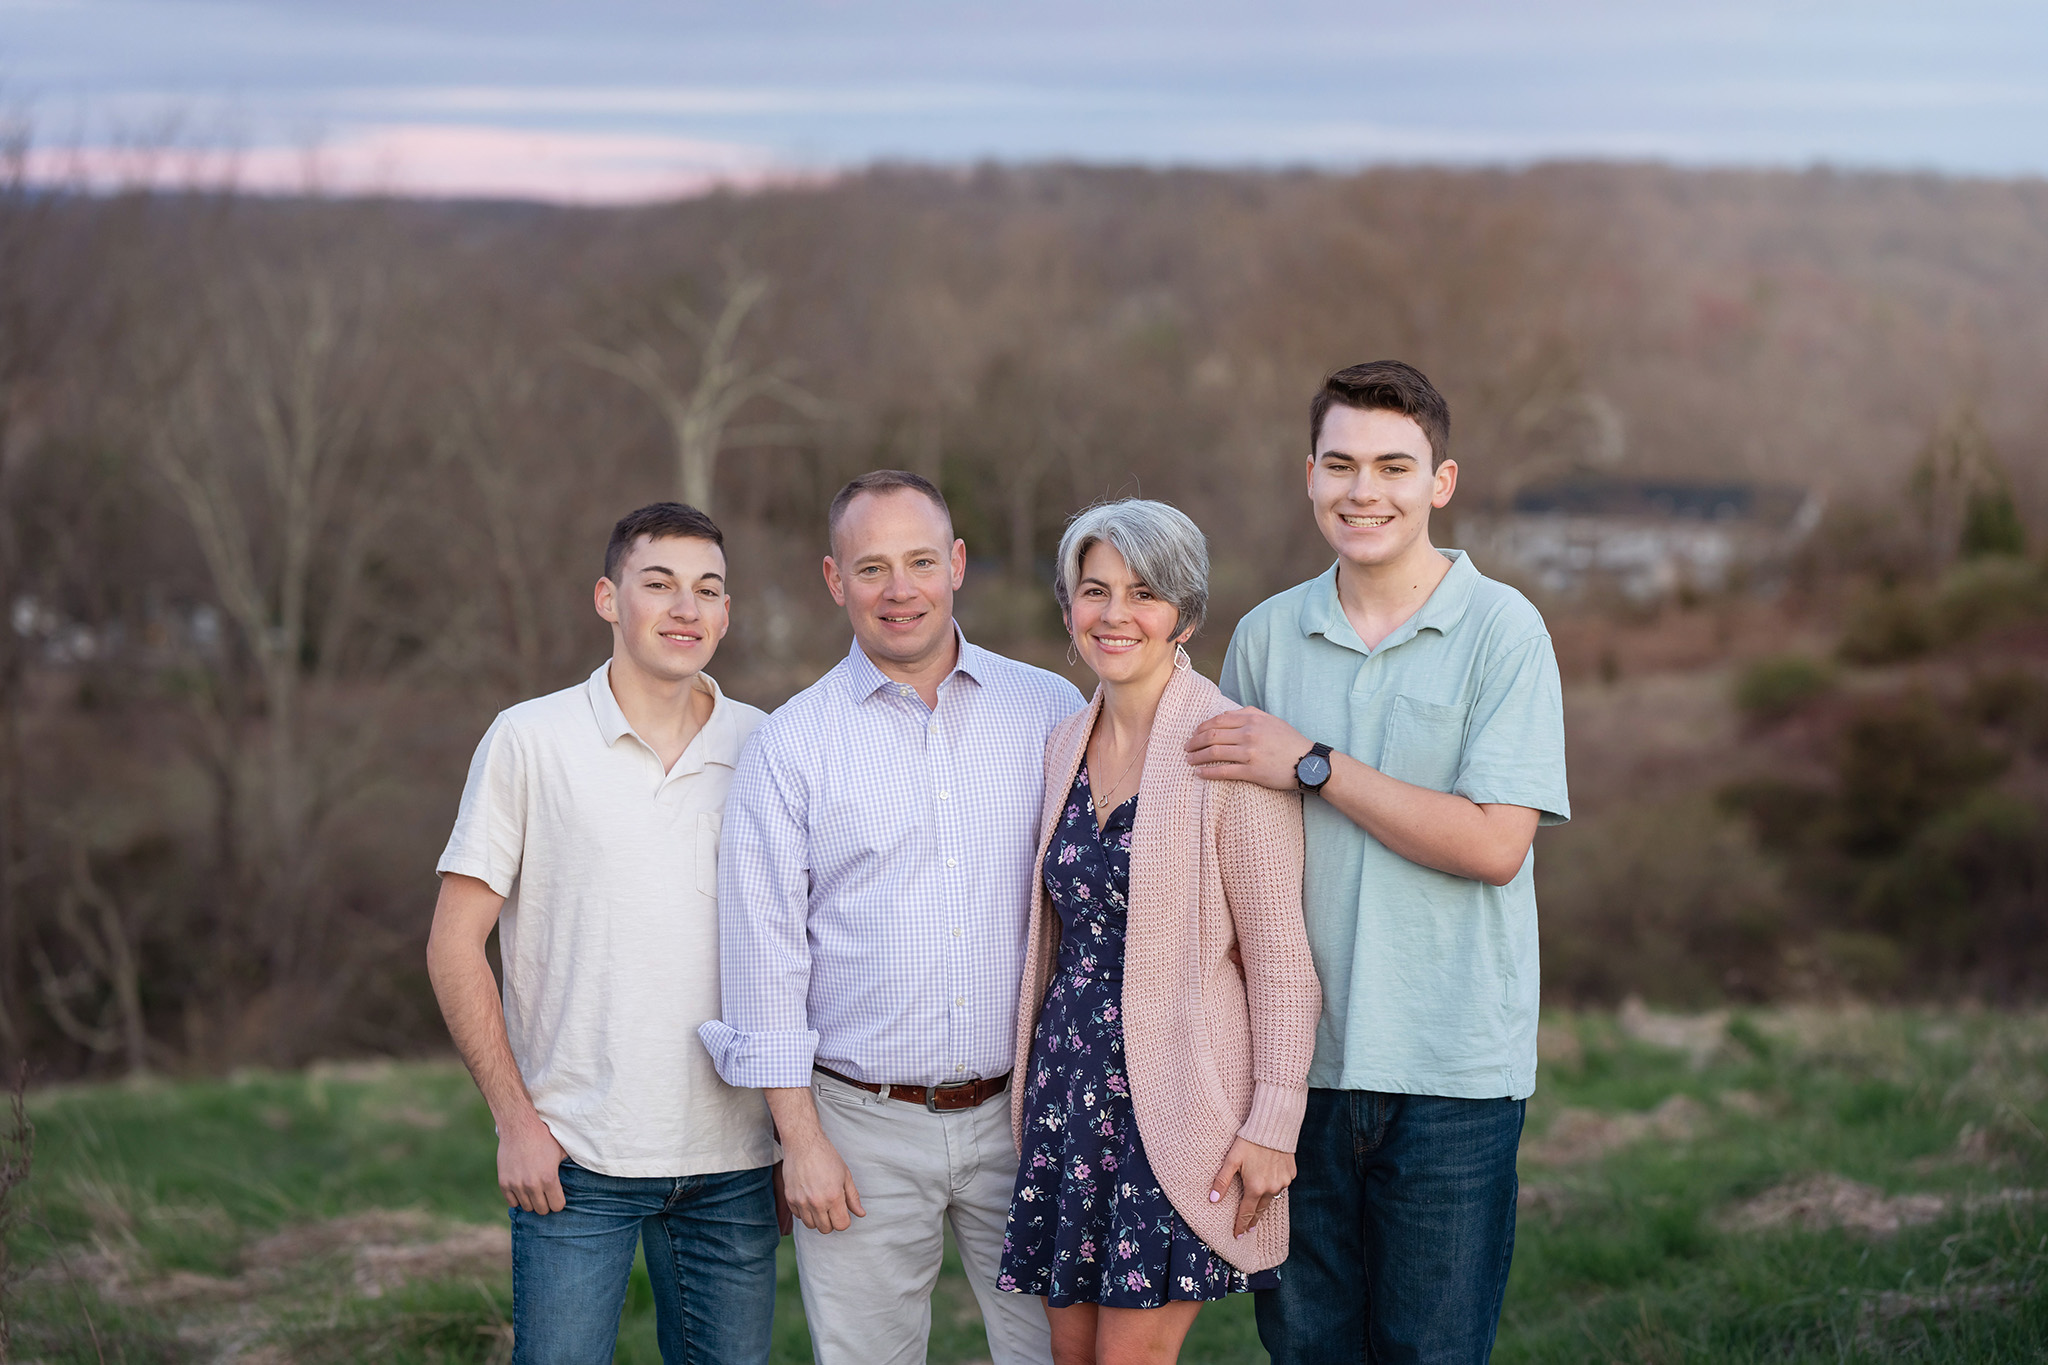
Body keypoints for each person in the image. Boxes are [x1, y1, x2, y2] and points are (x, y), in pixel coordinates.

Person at [1185, 361, 1571, 1365]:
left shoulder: (1503, 632)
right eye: (1341, 464)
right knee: (1306, 1353)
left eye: (1394, 467)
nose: (1365, 491)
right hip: (1292, 1075)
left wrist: (1312, 766)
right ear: (1305, 474)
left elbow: (1494, 846)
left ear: (1439, 483)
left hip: (1450, 1077)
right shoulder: (1266, 636)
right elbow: (1223, 861)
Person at [699, 470, 1083, 1365]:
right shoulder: (790, 745)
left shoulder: (1050, 711)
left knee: (1051, 1357)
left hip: (1024, 1115)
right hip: (858, 1126)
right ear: (835, 580)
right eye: (871, 567)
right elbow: (766, 965)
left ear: (956, 564)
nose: (899, 589)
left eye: (919, 561)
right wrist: (801, 1142)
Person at [427, 502, 779, 1365]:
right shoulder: (530, 739)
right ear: (607, 598)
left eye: (708, 590)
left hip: (736, 1160)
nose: (685, 609)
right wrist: (514, 1120)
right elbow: (452, 943)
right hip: (574, 1158)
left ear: (728, 613)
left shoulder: (768, 744)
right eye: (658, 584)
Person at [997, 499, 1322, 1365]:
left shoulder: (1226, 749)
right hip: (1068, 1097)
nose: (1114, 614)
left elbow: (1283, 962)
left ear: (1184, 612)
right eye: (1093, 589)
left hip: (1171, 1103)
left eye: (1142, 593)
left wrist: (1273, 1123)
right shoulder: (1063, 740)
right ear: (1066, 605)